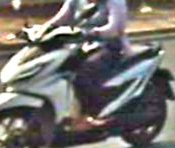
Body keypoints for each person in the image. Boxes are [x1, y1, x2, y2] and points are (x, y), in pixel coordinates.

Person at [42, 0, 131, 130]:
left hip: (107, 46)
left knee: (84, 73)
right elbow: (60, 19)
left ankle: (91, 115)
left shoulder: (114, 2)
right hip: (80, 46)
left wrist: (92, 33)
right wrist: (41, 30)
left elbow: (114, 29)